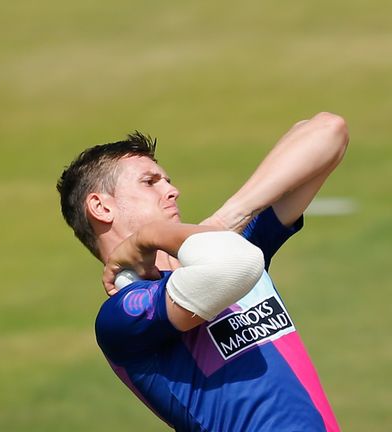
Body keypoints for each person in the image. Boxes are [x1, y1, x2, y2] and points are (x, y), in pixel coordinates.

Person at [56, 112, 348, 431]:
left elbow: (329, 132)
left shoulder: (224, 244)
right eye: (150, 182)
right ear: (101, 207)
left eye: (167, 180)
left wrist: (224, 222)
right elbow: (234, 266)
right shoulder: (123, 315)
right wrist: (149, 236)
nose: (173, 190)